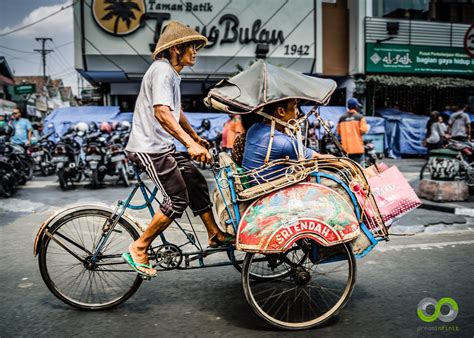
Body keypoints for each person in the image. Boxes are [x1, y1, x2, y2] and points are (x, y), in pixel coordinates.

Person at [123, 21, 233, 277]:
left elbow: (176, 111)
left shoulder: (172, 73)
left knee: (194, 179)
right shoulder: (161, 70)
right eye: (191, 47)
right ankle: (139, 247)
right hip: (148, 148)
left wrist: (196, 137)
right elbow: (162, 113)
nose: (195, 52)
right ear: (175, 49)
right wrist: (189, 144)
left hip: (163, 146)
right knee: (176, 199)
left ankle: (214, 233)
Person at [242, 99, 332, 179]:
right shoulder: (282, 142)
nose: (298, 113)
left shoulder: (253, 128)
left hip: (254, 182)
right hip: (273, 192)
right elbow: (320, 159)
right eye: (295, 107)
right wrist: (345, 162)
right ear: (281, 111)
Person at [337, 98, 369, 164]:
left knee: (349, 170)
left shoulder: (341, 118)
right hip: (357, 149)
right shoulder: (360, 117)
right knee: (358, 170)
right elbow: (363, 131)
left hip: (345, 149)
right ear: (356, 106)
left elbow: (339, 133)